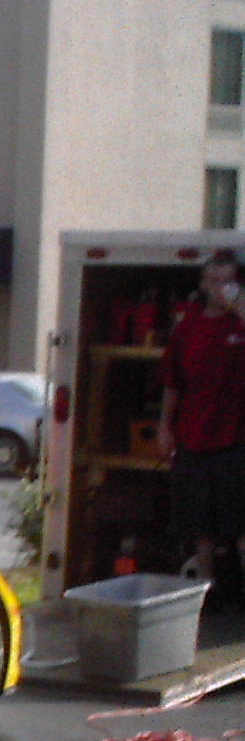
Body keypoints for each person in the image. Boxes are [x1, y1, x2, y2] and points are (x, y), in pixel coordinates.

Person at [158, 249, 245, 612]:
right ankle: (207, 592)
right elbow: (172, 382)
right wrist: (165, 426)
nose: (217, 288)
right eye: (212, 281)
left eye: (225, 281)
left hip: (237, 441)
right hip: (194, 439)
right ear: (202, 284)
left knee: (240, 524)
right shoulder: (189, 326)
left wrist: (239, 307)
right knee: (199, 525)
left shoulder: (240, 323)